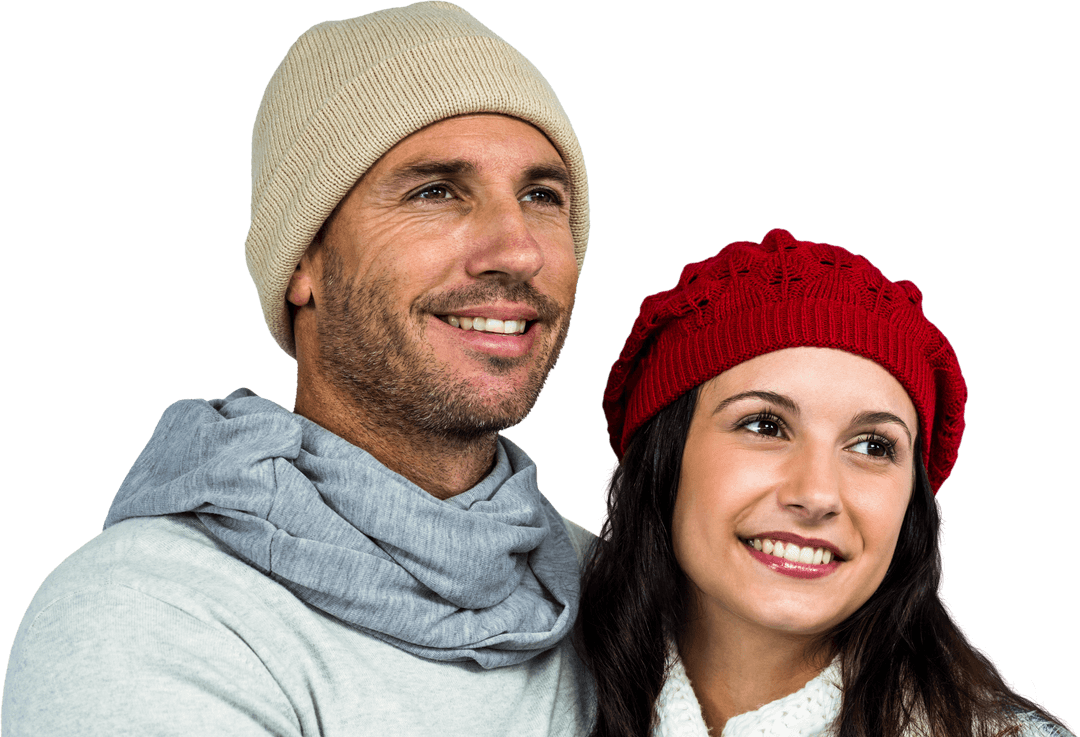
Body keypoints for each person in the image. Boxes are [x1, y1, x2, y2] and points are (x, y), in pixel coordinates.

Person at [3, 3, 595, 735]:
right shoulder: (149, 613)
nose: (519, 250)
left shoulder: (625, 588)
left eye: (542, 196)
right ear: (301, 262)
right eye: (435, 191)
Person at [575, 228, 1074, 737]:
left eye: (873, 446)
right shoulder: (537, 689)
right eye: (765, 426)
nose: (816, 495)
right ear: (662, 459)